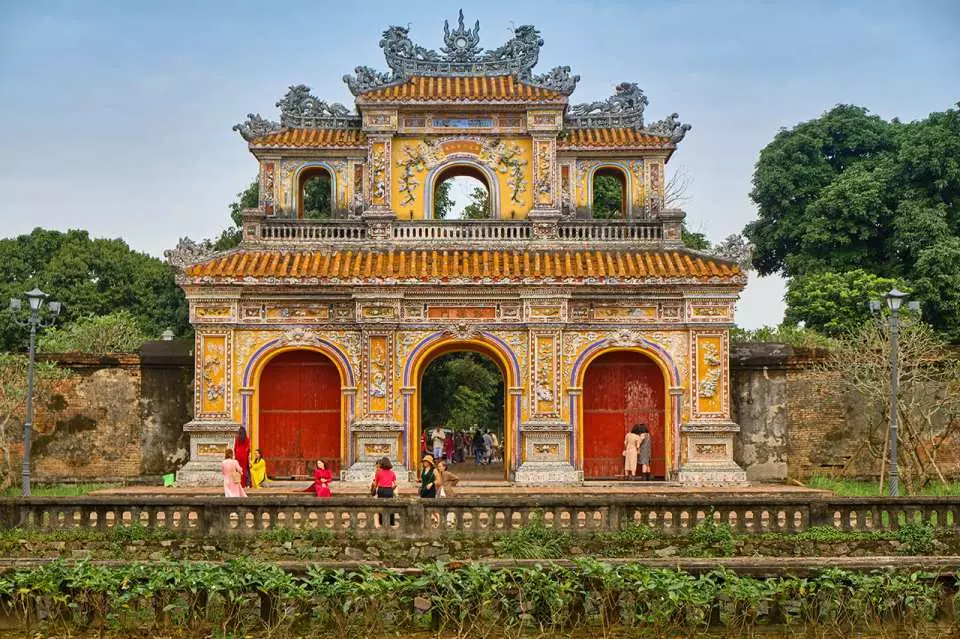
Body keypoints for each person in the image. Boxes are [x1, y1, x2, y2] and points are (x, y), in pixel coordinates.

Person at [371, 457, 398, 526]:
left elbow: (376, 485)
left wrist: (373, 489)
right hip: (389, 490)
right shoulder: (392, 473)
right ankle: (391, 522)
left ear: (381, 464)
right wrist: (391, 489)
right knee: (391, 506)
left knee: (381, 506)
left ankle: (381, 522)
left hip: (381, 490)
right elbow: (396, 484)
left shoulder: (378, 473)